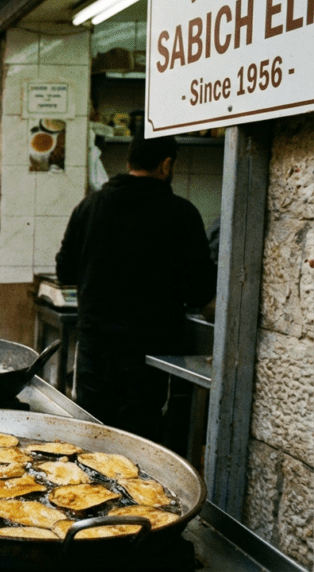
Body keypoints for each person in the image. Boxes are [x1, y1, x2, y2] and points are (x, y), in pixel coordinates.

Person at [55, 134, 216, 444]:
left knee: (89, 437)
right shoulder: (182, 214)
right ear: (167, 164)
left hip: (94, 348)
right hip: (149, 358)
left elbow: (65, 271)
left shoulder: (89, 207)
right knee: (139, 446)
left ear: (128, 163)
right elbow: (200, 290)